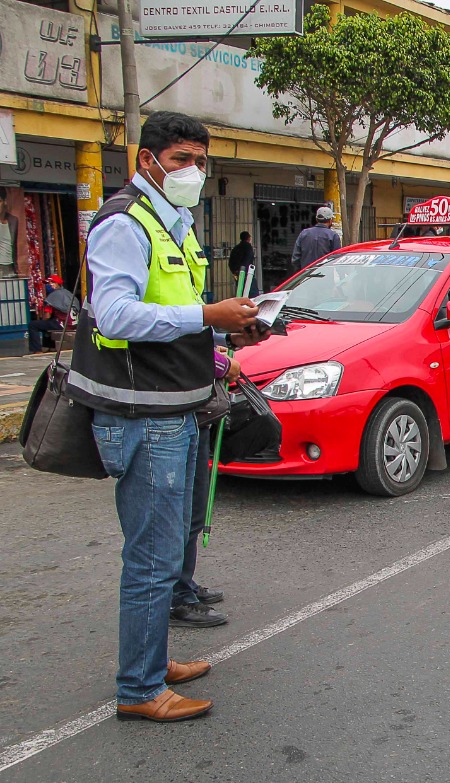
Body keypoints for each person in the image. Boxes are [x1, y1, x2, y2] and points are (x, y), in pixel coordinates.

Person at [66, 111, 268, 722]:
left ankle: (152, 662)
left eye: (202, 161)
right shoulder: (125, 222)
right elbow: (117, 316)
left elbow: (175, 309)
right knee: (152, 556)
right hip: (142, 413)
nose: (194, 172)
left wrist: (219, 352)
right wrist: (208, 319)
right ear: (147, 159)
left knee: (170, 546)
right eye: (183, 159)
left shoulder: (172, 223)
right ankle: (140, 691)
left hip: (177, 406)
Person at [170, 348, 239, 629]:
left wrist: (215, 344)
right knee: (180, 514)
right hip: (171, 413)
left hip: (194, 412)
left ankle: (183, 583)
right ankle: (175, 597)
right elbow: (176, 338)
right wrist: (221, 363)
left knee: (195, 509)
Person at [27, 275, 76, 354]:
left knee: (33, 325)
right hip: (73, 323)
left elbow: (47, 316)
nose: (49, 285)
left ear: (57, 284)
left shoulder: (53, 296)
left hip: (63, 324)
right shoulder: (68, 293)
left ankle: (37, 350)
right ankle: (51, 347)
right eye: (47, 283)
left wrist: (43, 319)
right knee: (50, 322)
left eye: (52, 282)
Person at [291, 206, 341, 273]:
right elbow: (337, 259)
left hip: (305, 277)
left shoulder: (304, 233)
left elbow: (295, 258)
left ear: (316, 219)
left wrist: (300, 273)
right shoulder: (333, 236)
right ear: (330, 220)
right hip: (325, 276)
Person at [228, 231, 259, 297]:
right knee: (252, 293)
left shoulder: (236, 248)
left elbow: (231, 261)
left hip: (238, 273)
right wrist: (247, 271)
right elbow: (248, 259)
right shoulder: (248, 247)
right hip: (247, 273)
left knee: (240, 291)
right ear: (248, 238)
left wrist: (235, 271)